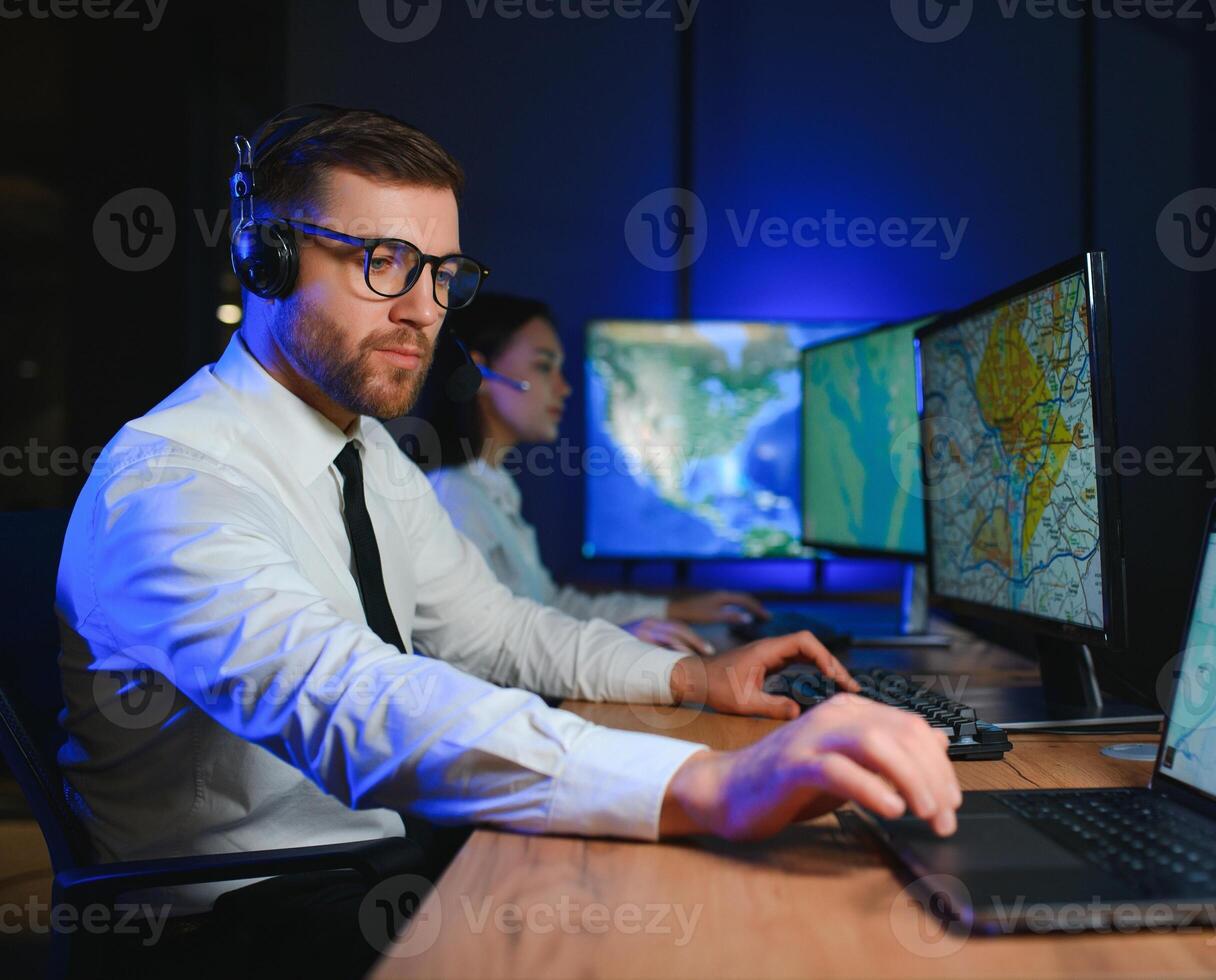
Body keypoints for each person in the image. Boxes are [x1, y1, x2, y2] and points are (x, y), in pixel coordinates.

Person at [54, 105, 959, 975]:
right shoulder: (171, 487)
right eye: (384, 262)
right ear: (266, 260)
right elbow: (351, 703)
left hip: (374, 868)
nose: (424, 309)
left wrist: (691, 677)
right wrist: (705, 784)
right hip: (239, 918)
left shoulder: (364, 452)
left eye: (442, 273)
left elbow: (497, 631)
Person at [411, 292, 766, 657]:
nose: (564, 388)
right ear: (478, 374)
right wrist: (615, 643)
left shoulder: (491, 487)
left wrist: (670, 610)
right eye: (544, 367)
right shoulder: (455, 499)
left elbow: (547, 605)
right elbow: (483, 648)